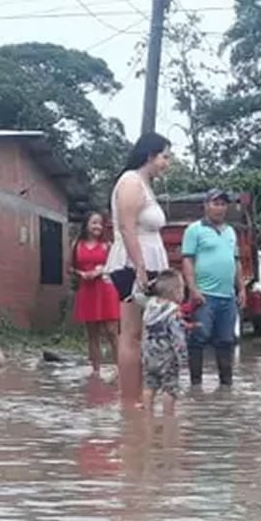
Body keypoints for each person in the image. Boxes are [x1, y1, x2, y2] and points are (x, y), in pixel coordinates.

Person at [104, 133, 175, 401]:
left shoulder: (145, 185)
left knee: (147, 333)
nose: (167, 163)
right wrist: (141, 269)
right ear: (149, 155)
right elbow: (126, 227)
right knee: (132, 333)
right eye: (164, 157)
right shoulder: (131, 181)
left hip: (147, 264)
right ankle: (130, 398)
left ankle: (140, 395)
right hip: (133, 265)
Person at [180, 189, 244, 388]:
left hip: (228, 296)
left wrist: (241, 289)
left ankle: (226, 385)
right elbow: (188, 260)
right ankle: (195, 385)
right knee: (199, 338)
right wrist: (193, 289)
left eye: (223, 204)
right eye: (215, 203)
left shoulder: (230, 231)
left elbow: (236, 262)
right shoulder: (194, 230)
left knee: (226, 340)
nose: (220, 208)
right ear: (206, 206)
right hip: (205, 295)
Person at [70, 211, 121, 375]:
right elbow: (69, 268)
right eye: (94, 223)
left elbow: (116, 266)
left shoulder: (108, 245)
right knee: (92, 333)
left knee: (112, 331)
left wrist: (101, 270)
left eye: (100, 223)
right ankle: (96, 371)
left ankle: (120, 369)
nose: (97, 226)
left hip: (107, 289)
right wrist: (81, 274)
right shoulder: (76, 245)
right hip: (87, 290)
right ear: (86, 225)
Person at [137, 268, 191, 415]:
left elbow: (144, 330)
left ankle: (147, 417)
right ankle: (168, 416)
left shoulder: (149, 306)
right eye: (182, 290)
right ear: (176, 292)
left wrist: (142, 353)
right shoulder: (174, 312)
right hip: (168, 358)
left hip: (149, 356)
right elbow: (177, 338)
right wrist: (183, 358)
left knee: (149, 386)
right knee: (169, 389)